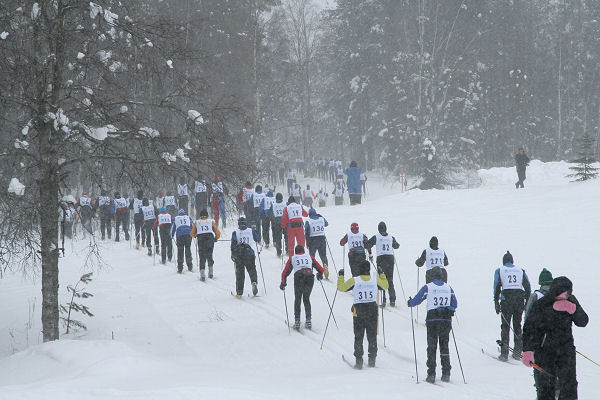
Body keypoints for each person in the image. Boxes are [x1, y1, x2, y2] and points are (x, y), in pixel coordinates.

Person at [522, 276, 588, 400]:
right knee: (545, 386)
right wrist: (528, 351)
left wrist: (574, 309)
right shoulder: (541, 304)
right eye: (565, 293)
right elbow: (530, 328)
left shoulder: (571, 301)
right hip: (544, 352)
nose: (567, 295)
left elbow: (583, 321)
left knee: (569, 386)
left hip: (566, 350)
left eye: (569, 293)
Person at [407, 266, 458, 383]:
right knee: (444, 346)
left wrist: (410, 302)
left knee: (432, 347)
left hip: (433, 320)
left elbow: (417, 299)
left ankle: (431, 373)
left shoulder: (428, 287)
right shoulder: (448, 287)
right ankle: (446, 372)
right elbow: (455, 303)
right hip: (446, 321)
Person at [337, 260, 389, 369]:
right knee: (372, 337)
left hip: (359, 313)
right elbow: (385, 286)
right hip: (372, 312)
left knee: (359, 337)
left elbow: (341, 288)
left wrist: (340, 276)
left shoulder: (354, 280)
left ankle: (359, 361)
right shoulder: (375, 280)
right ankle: (372, 359)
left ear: (359, 269)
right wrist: (382, 274)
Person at [493, 251, 531, 361]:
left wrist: (496, 302)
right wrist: (526, 302)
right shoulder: (521, 270)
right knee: (517, 326)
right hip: (519, 301)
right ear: (512, 261)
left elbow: (496, 287)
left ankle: (504, 354)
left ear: (504, 261)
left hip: (507, 301)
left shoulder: (499, 270)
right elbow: (528, 287)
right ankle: (518, 351)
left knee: (505, 326)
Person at [280, 245, 325, 329]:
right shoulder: (310, 257)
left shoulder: (293, 258)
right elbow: (321, 269)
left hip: (299, 277)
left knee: (298, 298)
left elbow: (285, 272)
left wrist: (283, 283)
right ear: (304, 251)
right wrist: (320, 275)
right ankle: (308, 320)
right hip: (309, 277)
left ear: (295, 252)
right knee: (306, 298)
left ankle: (297, 321)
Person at [365, 222, 400, 307]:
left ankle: (383, 300)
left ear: (378, 229)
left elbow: (367, 245)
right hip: (390, 259)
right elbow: (396, 246)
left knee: (381, 279)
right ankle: (392, 300)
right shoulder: (391, 237)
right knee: (390, 279)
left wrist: (365, 241)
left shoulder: (376, 237)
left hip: (381, 259)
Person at [231, 217, 260, 297]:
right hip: (250, 254)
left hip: (240, 255)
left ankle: (239, 292)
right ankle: (254, 282)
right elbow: (257, 239)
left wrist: (233, 255)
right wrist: (256, 230)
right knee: (252, 270)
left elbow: (233, 246)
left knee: (240, 274)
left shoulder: (235, 232)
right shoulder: (251, 230)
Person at [190, 209, 220, 281]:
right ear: (207, 215)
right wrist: (216, 238)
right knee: (209, 255)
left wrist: (195, 235)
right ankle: (211, 272)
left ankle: (202, 274)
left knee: (202, 257)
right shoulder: (211, 222)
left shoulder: (197, 222)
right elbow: (218, 232)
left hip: (201, 240)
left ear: (200, 216)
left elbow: (192, 233)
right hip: (210, 239)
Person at [304, 208, 329, 279]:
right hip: (322, 239)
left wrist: (307, 243)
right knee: (323, 256)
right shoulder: (321, 219)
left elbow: (306, 233)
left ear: (309, 215)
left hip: (312, 241)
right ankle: (325, 266)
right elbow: (326, 224)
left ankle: (310, 271)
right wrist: (321, 216)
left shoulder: (308, 221)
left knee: (311, 257)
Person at [171, 209, 193, 273]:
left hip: (180, 236)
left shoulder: (176, 218)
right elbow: (192, 225)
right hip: (188, 235)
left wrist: (172, 235)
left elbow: (173, 227)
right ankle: (190, 266)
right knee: (188, 250)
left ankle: (180, 268)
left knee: (180, 251)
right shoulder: (188, 217)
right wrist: (193, 233)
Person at [269, 193, 286, 257]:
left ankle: (279, 251)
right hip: (285, 222)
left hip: (277, 223)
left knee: (278, 238)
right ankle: (287, 250)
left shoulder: (273, 205)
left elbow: (270, 214)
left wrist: (274, 219)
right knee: (286, 236)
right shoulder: (285, 204)